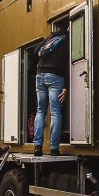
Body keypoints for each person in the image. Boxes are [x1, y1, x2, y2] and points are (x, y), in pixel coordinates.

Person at [33, 22, 69, 156]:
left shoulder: (50, 38)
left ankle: (37, 147)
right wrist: (66, 87)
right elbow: (68, 64)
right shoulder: (67, 39)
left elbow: (36, 51)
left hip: (40, 75)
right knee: (55, 112)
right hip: (55, 77)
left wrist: (47, 40)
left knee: (40, 111)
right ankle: (54, 148)